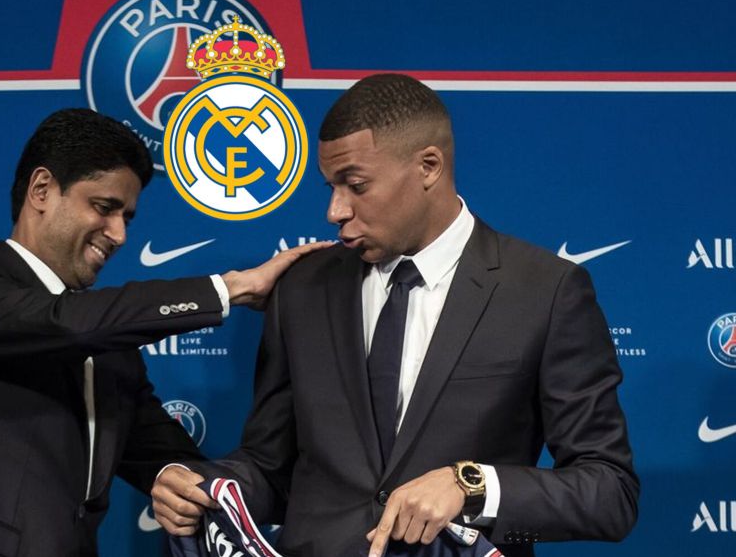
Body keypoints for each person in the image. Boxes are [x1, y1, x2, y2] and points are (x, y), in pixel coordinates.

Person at [152, 74, 639, 557]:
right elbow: (270, 466)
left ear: (428, 167)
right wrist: (206, 488)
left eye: (356, 185)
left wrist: (471, 486)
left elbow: (610, 492)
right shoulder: (303, 289)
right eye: (331, 187)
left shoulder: (545, 291)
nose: (335, 211)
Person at [0, 108, 328, 557]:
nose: (119, 234)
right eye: (104, 208)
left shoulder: (112, 350)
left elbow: (165, 457)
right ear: (42, 190)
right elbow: (62, 322)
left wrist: (178, 481)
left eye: (127, 217)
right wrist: (229, 288)